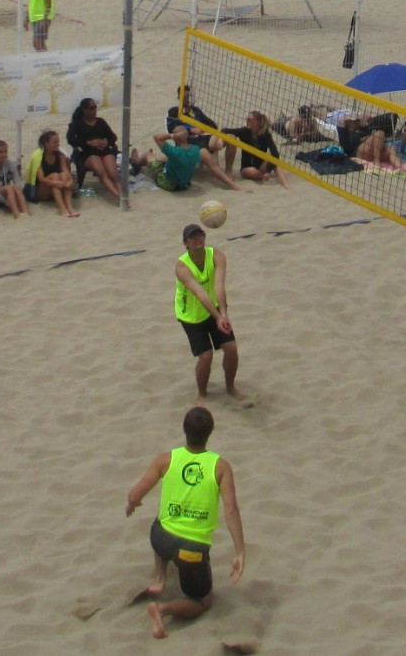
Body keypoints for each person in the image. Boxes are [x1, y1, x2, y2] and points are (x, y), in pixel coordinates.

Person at [124, 406, 247, 640]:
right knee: (203, 602)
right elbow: (231, 510)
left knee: (159, 523)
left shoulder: (166, 459)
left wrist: (132, 505)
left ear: (185, 431)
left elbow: (135, 494)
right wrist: (240, 551)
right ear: (209, 433)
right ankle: (162, 610)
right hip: (191, 551)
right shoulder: (220, 467)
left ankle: (159, 579)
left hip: (161, 539)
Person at [173, 223, 240, 401]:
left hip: (214, 308)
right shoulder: (181, 267)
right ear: (185, 243)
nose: (198, 238)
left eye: (200, 234)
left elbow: (219, 286)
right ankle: (202, 394)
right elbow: (200, 293)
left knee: (231, 348)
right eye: (193, 236)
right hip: (191, 316)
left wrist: (223, 314)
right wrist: (218, 316)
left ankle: (230, 387)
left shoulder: (216, 255)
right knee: (206, 356)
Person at [67, 97, 124, 202]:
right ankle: (119, 198)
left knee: (113, 174)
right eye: (91, 108)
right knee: (101, 172)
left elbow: (113, 137)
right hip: (88, 153)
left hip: (105, 150)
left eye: (95, 107)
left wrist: (106, 142)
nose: (94, 110)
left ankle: (122, 195)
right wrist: (87, 143)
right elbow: (70, 140)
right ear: (84, 110)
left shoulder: (101, 122)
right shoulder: (77, 124)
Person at [224, 111, 289, 188]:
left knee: (274, 161)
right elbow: (225, 130)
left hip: (261, 166)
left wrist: (268, 170)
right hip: (246, 168)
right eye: (247, 119)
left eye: (249, 119)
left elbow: (275, 153)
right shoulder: (244, 131)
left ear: (257, 122)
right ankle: (265, 175)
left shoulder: (265, 134)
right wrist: (221, 140)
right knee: (254, 172)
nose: (247, 121)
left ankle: (285, 184)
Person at [27, 128, 79, 217]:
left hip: (56, 187)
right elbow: (41, 178)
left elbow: (67, 172)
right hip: (40, 190)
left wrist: (69, 182)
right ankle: (62, 209)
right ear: (46, 143)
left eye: (58, 142)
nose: (57, 144)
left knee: (64, 175)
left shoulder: (60, 155)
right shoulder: (38, 157)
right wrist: (57, 182)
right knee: (55, 176)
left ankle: (69, 207)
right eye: (54, 142)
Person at [0, 139, 29, 215]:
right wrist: (6, 202)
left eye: (5, 151)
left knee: (15, 187)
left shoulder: (10, 164)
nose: (4, 155)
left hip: (7, 194)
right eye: (0, 152)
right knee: (9, 188)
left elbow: (18, 183)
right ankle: (16, 214)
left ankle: (25, 212)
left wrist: (17, 195)